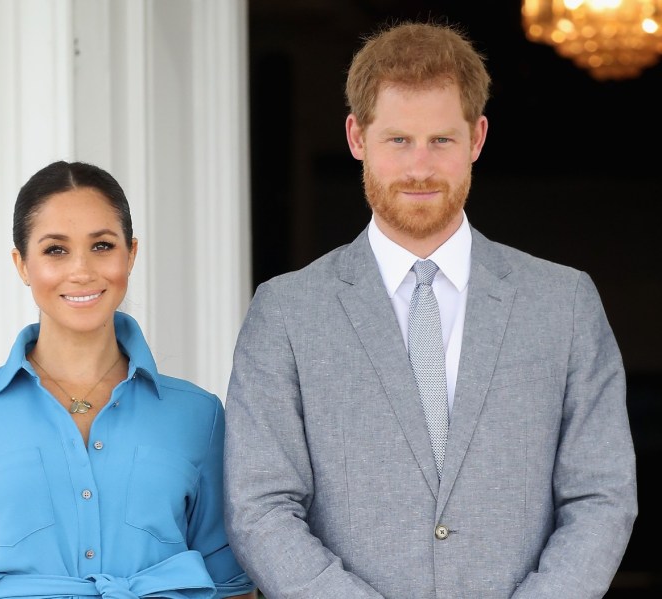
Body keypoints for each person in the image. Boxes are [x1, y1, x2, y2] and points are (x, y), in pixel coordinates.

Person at [223, 20, 637, 599]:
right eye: (398, 140)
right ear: (356, 137)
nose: (420, 168)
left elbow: (602, 495)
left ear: (477, 138)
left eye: (441, 140)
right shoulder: (286, 312)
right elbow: (259, 507)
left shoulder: (564, 304)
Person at [0, 160, 257, 599]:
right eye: (56, 249)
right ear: (22, 264)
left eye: (102, 246)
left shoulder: (198, 416)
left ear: (131, 254)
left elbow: (229, 582)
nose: (82, 271)